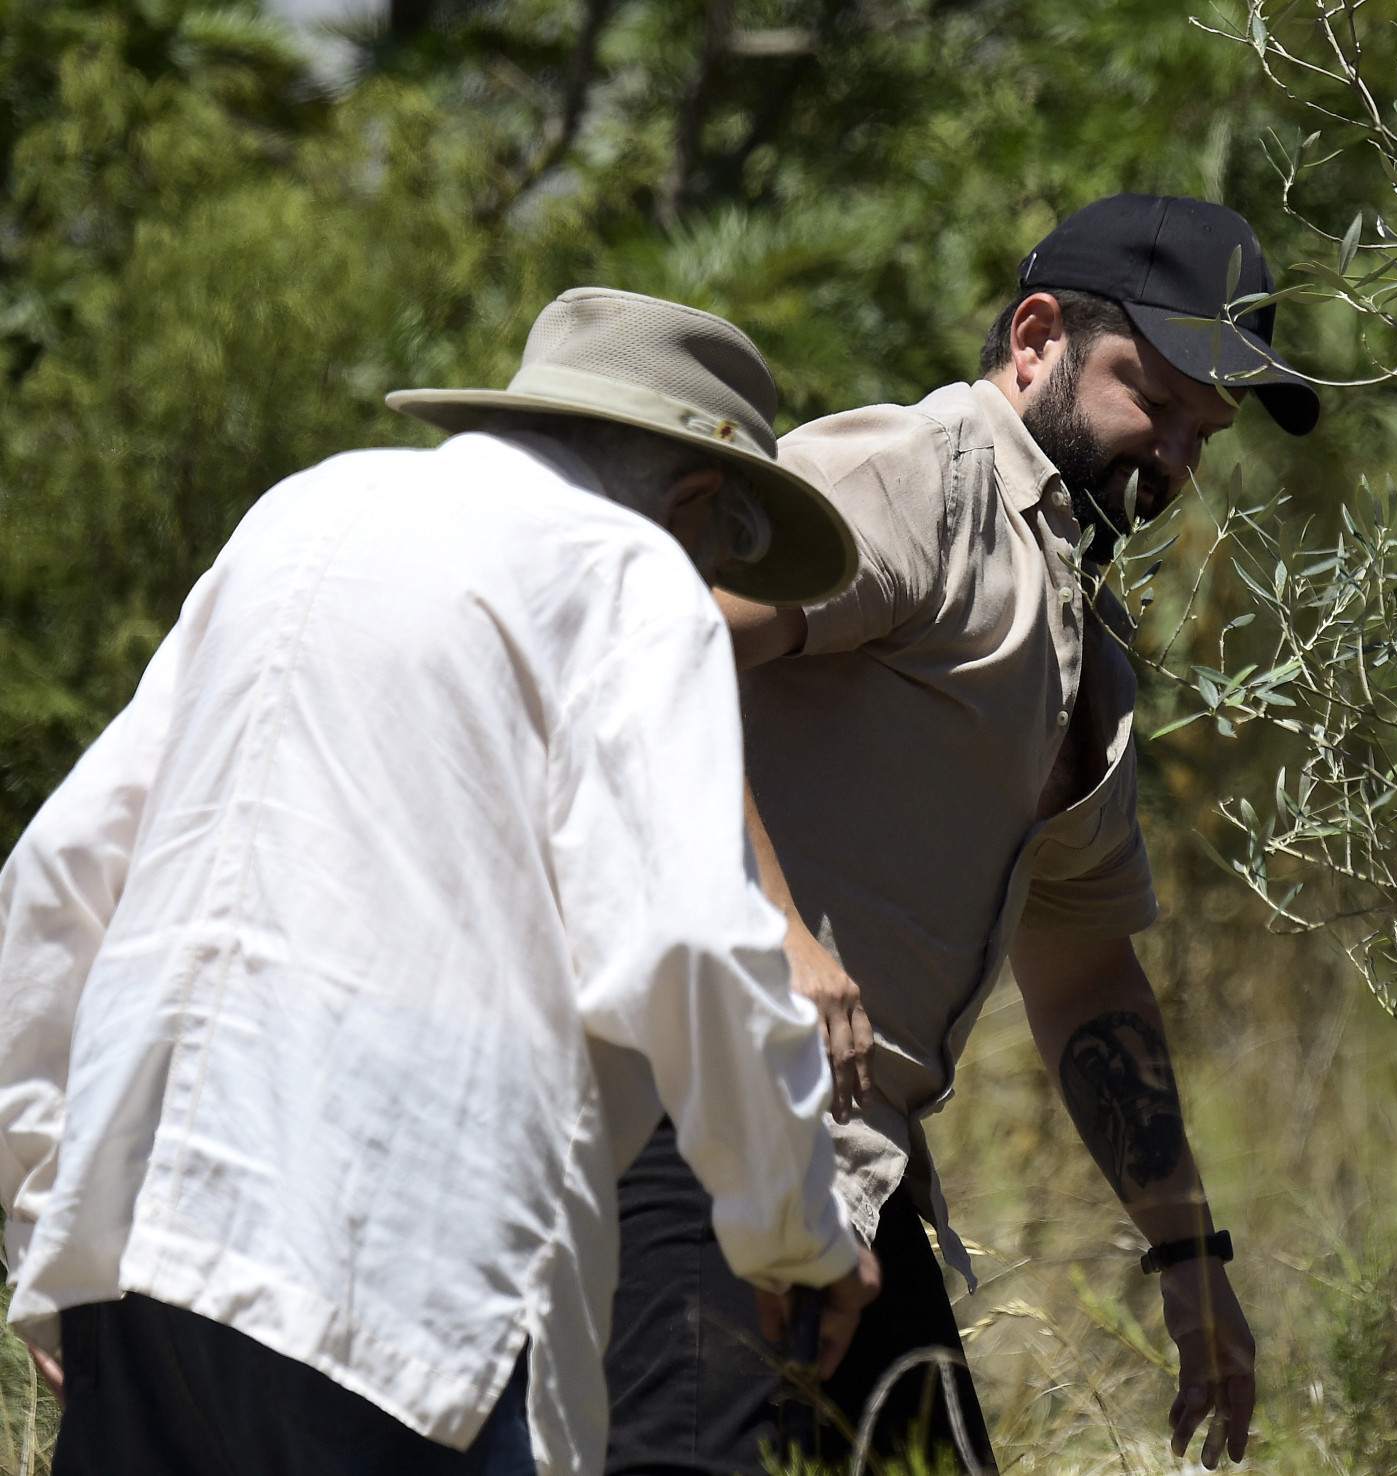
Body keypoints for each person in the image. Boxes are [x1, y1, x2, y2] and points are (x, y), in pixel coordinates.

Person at [0, 287, 881, 1475]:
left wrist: (45, 1216)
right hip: (389, 1285)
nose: (717, 579)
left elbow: (55, 879)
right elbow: (689, 939)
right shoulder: (628, 567)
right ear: (695, 500)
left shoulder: (297, 513)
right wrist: (797, 1236)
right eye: (728, 549)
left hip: (143, 1248)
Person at [603, 195, 1321, 1475]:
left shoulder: (1077, 638)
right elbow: (655, 644)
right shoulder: (923, 479)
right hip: (694, 1125)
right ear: (1036, 337)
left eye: (1200, 435)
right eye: (1152, 398)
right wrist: (774, 927)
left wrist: (1187, 1256)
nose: (1172, 460)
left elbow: (1086, 971)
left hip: (850, 1183)